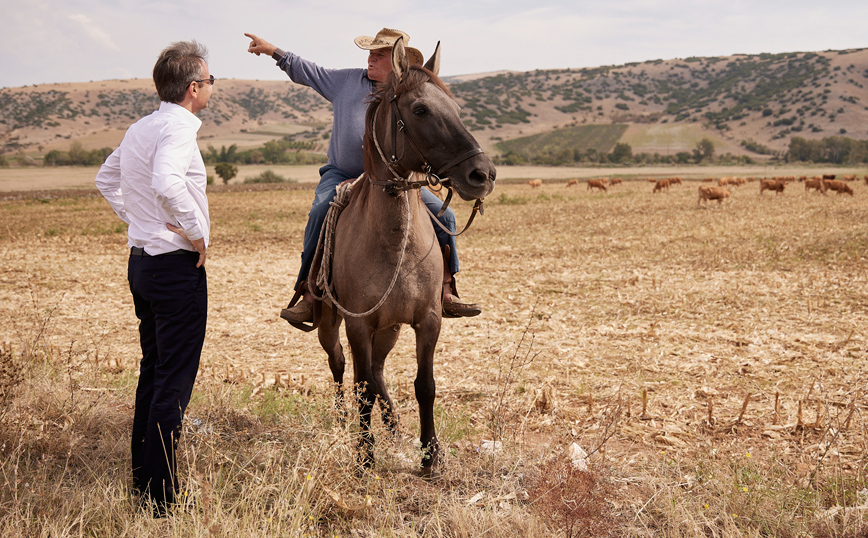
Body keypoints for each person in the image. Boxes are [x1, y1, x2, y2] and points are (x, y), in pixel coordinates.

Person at [244, 28, 481, 325]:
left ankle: (446, 291)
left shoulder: (406, 93)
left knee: (445, 218)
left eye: (379, 55)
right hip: (342, 173)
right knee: (320, 210)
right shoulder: (346, 81)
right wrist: (273, 51)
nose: (370, 59)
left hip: (393, 180)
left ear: (397, 60)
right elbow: (308, 71)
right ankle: (308, 291)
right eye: (369, 53)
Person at [95, 41, 212, 516]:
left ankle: (143, 481)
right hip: (173, 267)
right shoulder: (180, 127)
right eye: (209, 82)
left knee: (154, 369)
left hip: (141, 262)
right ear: (192, 88)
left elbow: (107, 179)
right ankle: (160, 501)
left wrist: (138, 220)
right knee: (174, 379)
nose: (211, 89)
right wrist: (196, 234)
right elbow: (167, 181)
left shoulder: (141, 126)